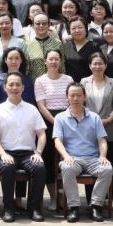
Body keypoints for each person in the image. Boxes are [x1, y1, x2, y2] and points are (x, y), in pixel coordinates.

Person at [0, 72, 47, 222]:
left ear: (23, 87)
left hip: (28, 154)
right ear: (5, 87)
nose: (14, 87)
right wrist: (2, 154)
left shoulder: (32, 109)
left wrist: (38, 152)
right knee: (7, 167)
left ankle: (34, 209)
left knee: (39, 168)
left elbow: (41, 134)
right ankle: (9, 208)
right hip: (5, 152)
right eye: (11, 84)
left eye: (18, 85)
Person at [53, 82, 113, 223]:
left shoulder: (94, 117)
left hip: (93, 159)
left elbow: (102, 140)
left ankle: (96, 206)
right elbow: (57, 141)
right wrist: (66, 156)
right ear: (67, 97)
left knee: (107, 169)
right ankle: (73, 207)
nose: (75, 98)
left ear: (84, 96)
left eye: (79, 95)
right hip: (72, 158)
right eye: (72, 95)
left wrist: (102, 156)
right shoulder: (60, 118)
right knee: (67, 168)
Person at [81, 52, 113, 204]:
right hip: (89, 128)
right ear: (89, 66)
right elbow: (80, 103)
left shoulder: (112, 83)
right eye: (94, 63)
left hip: (108, 127)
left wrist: (110, 119)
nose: (97, 66)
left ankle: (111, 198)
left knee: (109, 163)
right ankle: (91, 200)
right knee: (90, 163)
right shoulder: (84, 82)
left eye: (100, 63)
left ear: (105, 65)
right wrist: (90, 119)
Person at [34, 49, 73, 204]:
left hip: (67, 120)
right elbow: (41, 106)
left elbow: (72, 100)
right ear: (45, 61)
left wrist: (63, 120)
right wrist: (55, 121)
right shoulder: (40, 81)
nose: (53, 62)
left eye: (56, 59)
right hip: (48, 121)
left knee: (65, 158)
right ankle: (53, 198)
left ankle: (65, 197)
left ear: (61, 61)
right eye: (50, 59)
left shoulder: (68, 79)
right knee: (49, 160)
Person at [61, 15, 99, 82]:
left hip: (89, 84)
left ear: (86, 29)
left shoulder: (95, 47)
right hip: (70, 85)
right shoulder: (65, 46)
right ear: (69, 31)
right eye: (73, 28)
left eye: (80, 27)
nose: (77, 30)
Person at [26, 12, 63, 79]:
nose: (41, 26)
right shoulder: (28, 45)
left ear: (49, 25)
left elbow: (62, 66)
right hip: (35, 82)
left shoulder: (57, 43)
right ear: (33, 25)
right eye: (38, 23)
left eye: (44, 23)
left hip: (55, 82)